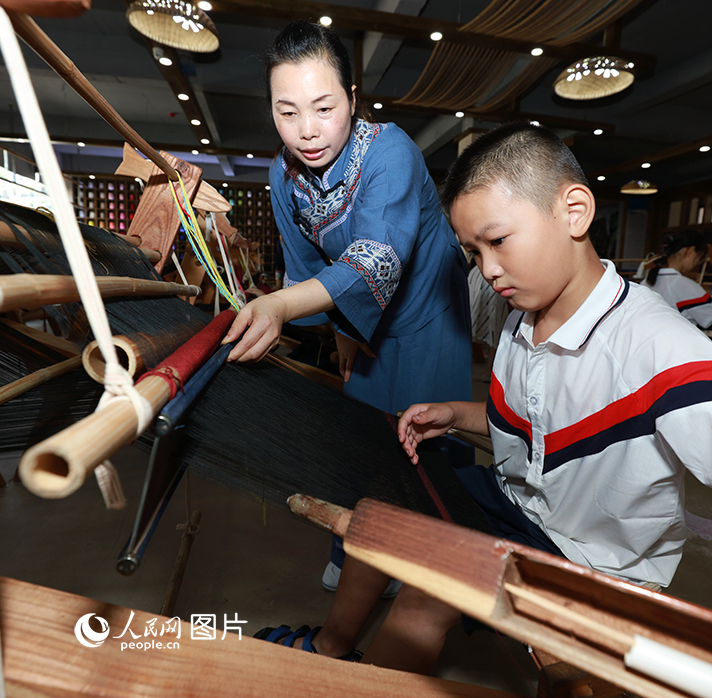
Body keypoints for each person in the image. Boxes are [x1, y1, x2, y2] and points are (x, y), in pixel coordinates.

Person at [354, 122, 712, 682]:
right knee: (391, 510)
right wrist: (457, 415)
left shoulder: (654, 343)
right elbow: (537, 425)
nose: (487, 269)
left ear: (574, 212)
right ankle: (337, 651)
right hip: (520, 509)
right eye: (474, 252)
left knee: (433, 595)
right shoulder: (521, 320)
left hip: (594, 560)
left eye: (498, 241)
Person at [221, 20, 473, 651]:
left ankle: (425, 556)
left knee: (423, 440)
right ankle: (359, 547)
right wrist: (339, 336)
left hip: (427, 312)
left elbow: (376, 257)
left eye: (324, 108)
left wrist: (280, 306)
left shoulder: (391, 152)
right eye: (287, 112)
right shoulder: (283, 174)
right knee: (357, 436)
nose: (306, 130)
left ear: (353, 100)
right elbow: (306, 265)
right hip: (359, 314)